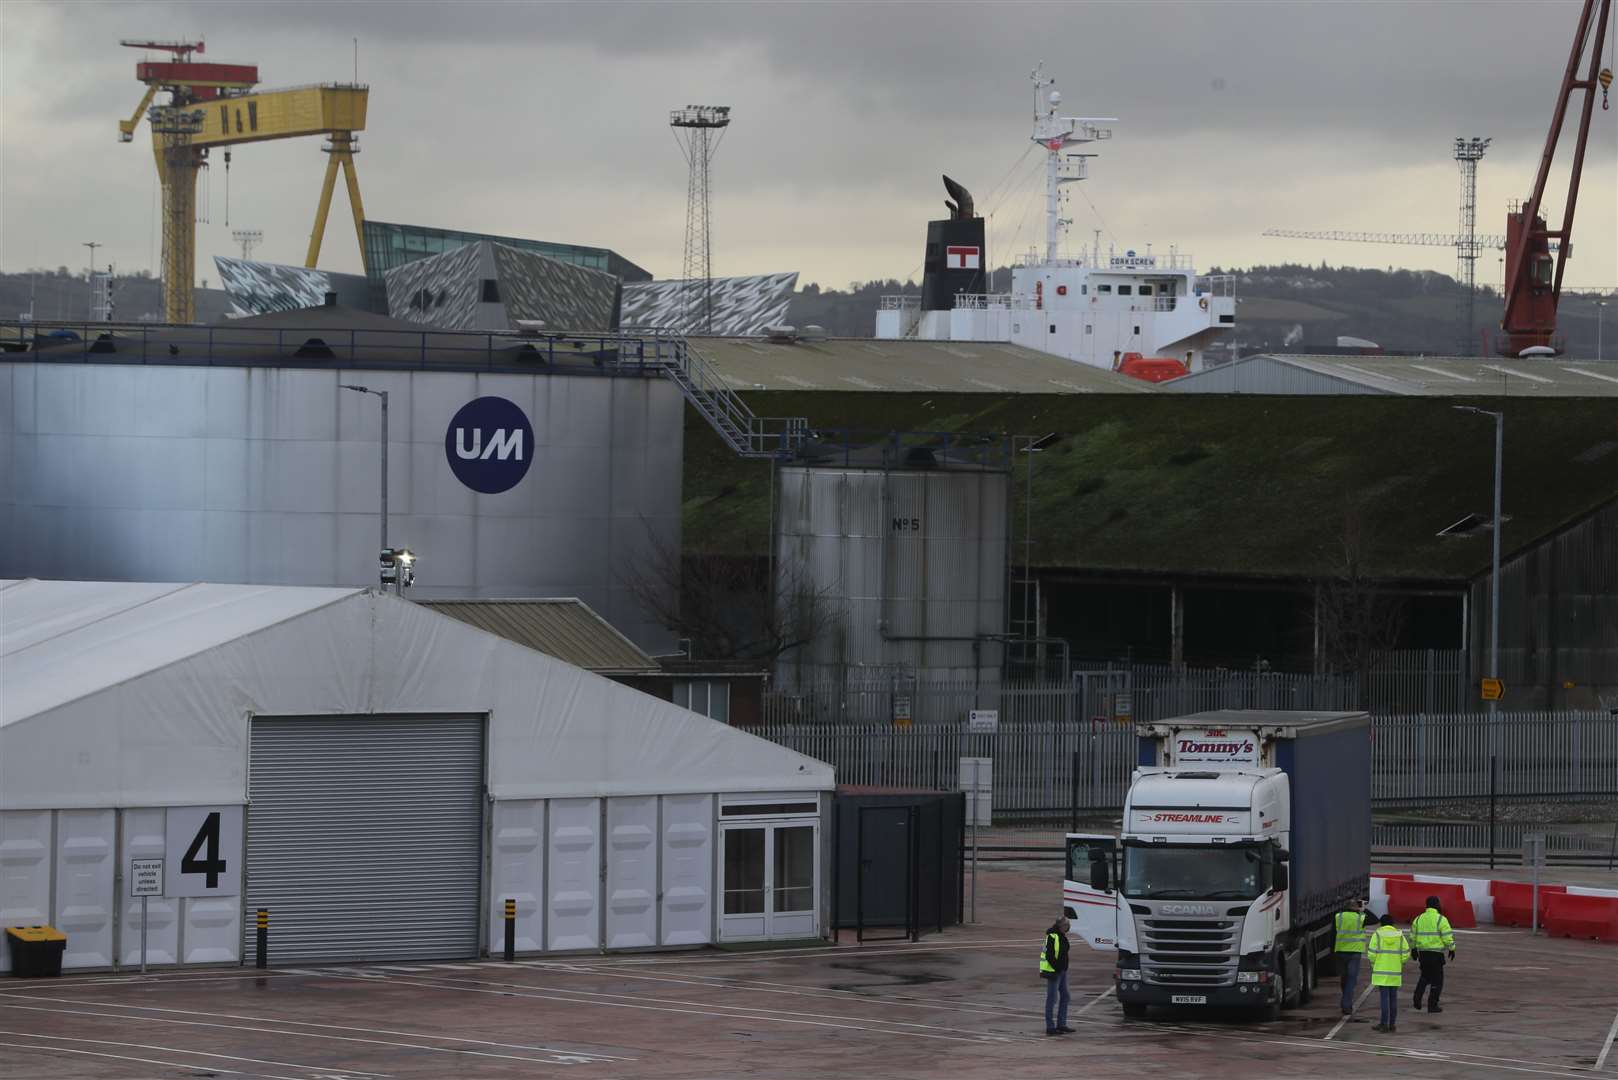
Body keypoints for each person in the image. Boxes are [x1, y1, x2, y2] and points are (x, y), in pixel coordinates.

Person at [1366, 912, 1411, 1034]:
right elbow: (1406, 952)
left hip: (1381, 972)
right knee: (1393, 999)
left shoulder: (1378, 935)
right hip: (1395, 972)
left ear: (1381, 924)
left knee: (1384, 999)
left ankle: (1383, 1024)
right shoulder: (1399, 935)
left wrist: (1375, 964)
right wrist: (1400, 963)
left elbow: (1371, 953)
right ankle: (1392, 1024)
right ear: (1392, 924)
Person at [1411, 895, 1457, 1013]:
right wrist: (1452, 948)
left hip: (1423, 953)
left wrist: (1414, 949)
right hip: (1436, 954)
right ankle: (1432, 1005)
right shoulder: (1441, 919)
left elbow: (1413, 936)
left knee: (1425, 976)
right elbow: (1447, 936)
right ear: (1437, 905)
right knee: (1437, 980)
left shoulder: (1418, 918)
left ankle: (1417, 996)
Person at [1333, 897, 1369, 1017]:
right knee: (1351, 979)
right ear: (1356, 909)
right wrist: (1363, 908)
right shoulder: (1361, 918)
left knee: (1344, 978)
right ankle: (1346, 1004)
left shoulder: (1339, 917)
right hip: (1355, 951)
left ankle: (1346, 1001)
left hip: (1341, 950)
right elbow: (1375, 919)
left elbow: (1333, 933)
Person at [1039, 913, 1073, 1036]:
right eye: (1066, 925)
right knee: (1052, 999)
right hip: (1054, 972)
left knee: (1065, 997)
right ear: (1060, 926)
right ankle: (1050, 1027)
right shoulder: (1052, 936)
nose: (1068, 927)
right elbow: (1049, 956)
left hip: (1062, 971)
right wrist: (1058, 968)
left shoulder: (1062, 936)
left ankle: (1061, 1024)